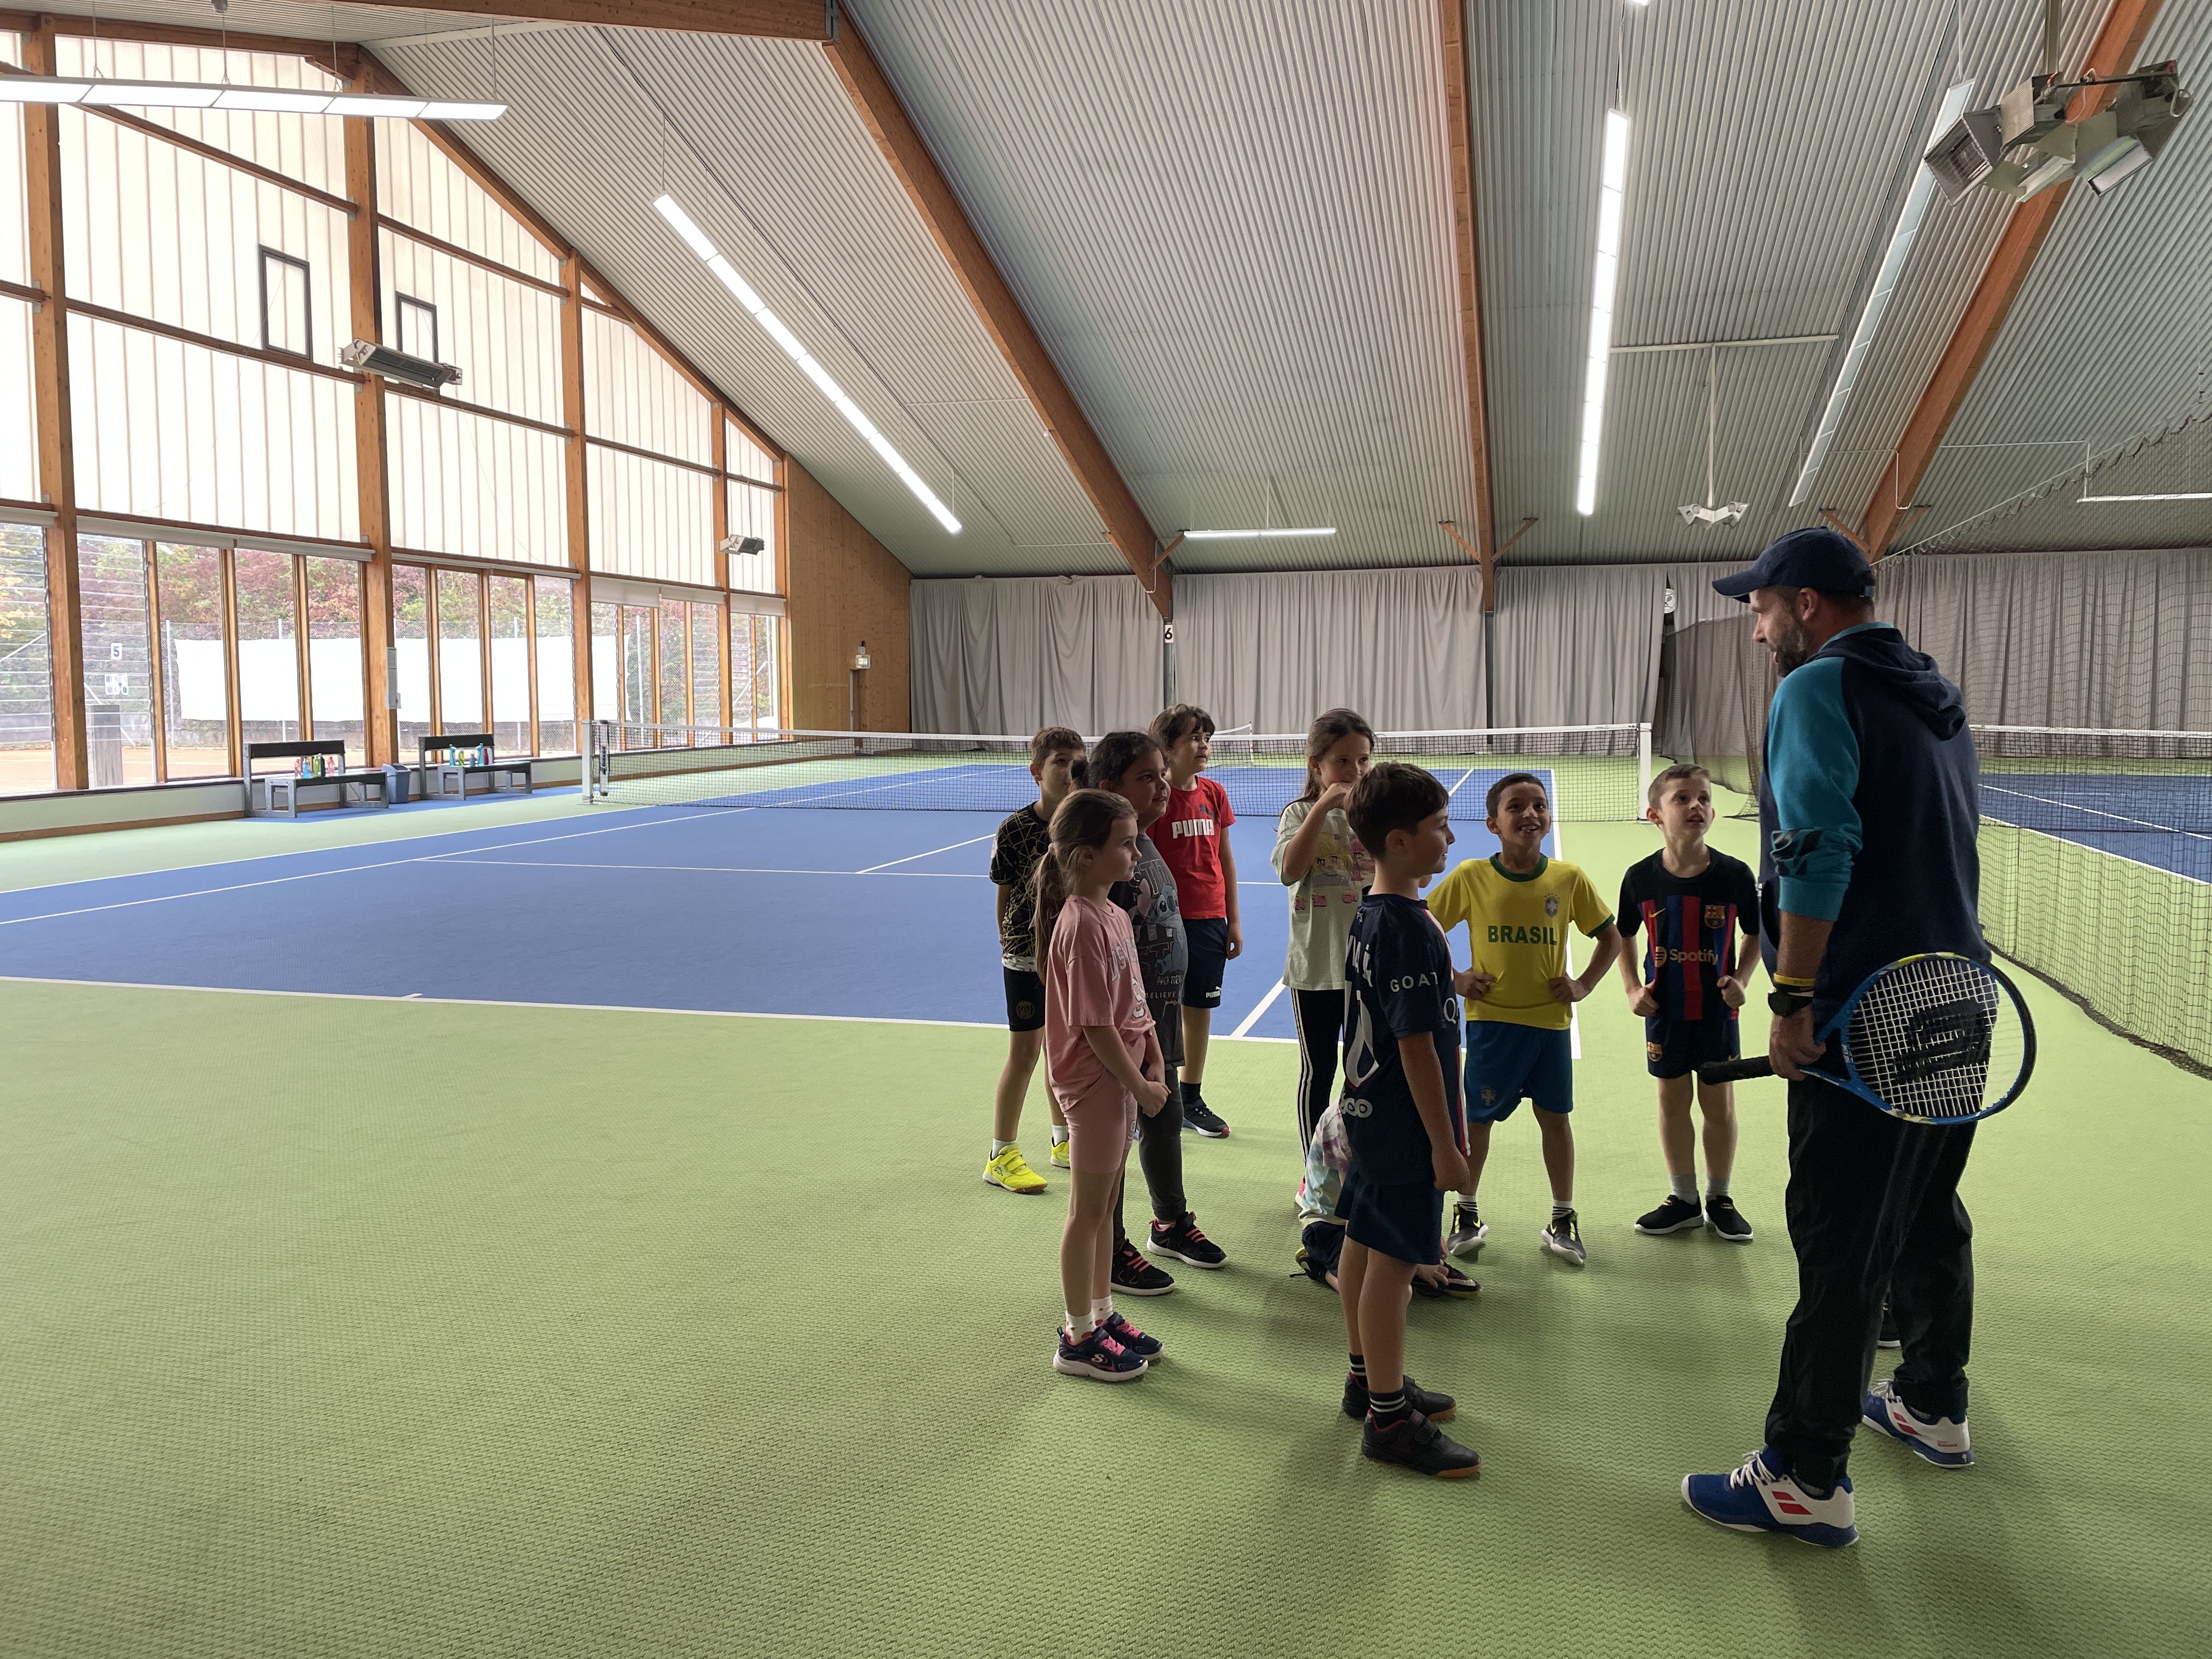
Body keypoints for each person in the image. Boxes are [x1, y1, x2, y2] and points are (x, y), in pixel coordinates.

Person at [1683, 527, 1986, 1548]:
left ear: (1805, 603)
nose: (1755, 622)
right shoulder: (1933, 693)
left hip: (1860, 1008)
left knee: (1839, 1237)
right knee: (1929, 1208)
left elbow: (1815, 852)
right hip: (1955, 995)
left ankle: (1803, 1474)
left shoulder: (1814, 689)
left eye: (1760, 605)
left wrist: (1791, 996)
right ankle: (1932, 1399)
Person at [1334, 763, 1479, 1477]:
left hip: (1365, 1111)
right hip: (1402, 1125)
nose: (1449, 837)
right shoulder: (1413, 930)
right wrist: (1447, 1148)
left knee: (1361, 1243)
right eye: (1438, 829)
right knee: (1393, 1267)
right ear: (1398, 841)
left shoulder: (1371, 912)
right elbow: (1419, 1048)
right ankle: (1390, 1420)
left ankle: (1368, 1380)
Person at [1430, 773, 1621, 1267]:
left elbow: (1610, 937)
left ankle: (1563, 1216)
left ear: (1548, 818)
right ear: (1494, 823)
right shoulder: (1472, 875)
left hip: (1550, 1025)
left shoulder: (1568, 878)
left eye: (1539, 805)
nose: (1530, 814)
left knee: (1555, 1120)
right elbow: (1424, 927)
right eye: (1517, 807)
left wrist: (1584, 985)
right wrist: (1455, 977)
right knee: (1478, 1122)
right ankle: (1466, 1212)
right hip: (1492, 1024)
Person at [1036, 788, 1172, 1382]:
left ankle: (1103, 1313)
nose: (1136, 850)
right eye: (1124, 843)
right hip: (1095, 1088)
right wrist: (1139, 1089)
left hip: (1122, 1081)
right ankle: (1077, 1336)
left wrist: (1157, 1060)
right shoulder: (1080, 926)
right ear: (1086, 856)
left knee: (1105, 1206)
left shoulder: (1115, 915)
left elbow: (1133, 1003)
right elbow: (1094, 1027)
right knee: (1087, 1213)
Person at [1085, 730, 1227, 1294]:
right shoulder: (1107, 865)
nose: (1163, 785)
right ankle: (1112, 1247)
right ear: (1108, 788)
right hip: (1121, 1039)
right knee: (1117, 1141)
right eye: (1147, 777)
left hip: (1157, 1026)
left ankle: (1170, 1224)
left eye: (1163, 774)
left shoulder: (1144, 844)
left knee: (1164, 1121)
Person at [1613, 763, 1761, 1242]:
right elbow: (1624, 935)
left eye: (1703, 798)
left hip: (1718, 1014)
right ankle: (1683, 1200)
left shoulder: (1736, 875)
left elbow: (1755, 935)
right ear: (1656, 815)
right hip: (1665, 1013)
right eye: (1683, 799)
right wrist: (1633, 989)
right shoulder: (1639, 878)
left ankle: (1720, 1197)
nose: (1696, 806)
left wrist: (1741, 979)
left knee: (1718, 1105)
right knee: (1672, 1101)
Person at [984, 727, 1084, 1193]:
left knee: (1064, 1052)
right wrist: (1011, 946)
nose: (1069, 771)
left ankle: (1062, 1139)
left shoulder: (1087, 826)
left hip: (1075, 957)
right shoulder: (1014, 830)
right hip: (1026, 959)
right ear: (1037, 771)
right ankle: (1001, 1154)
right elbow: (1004, 897)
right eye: (1060, 761)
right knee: (1025, 1054)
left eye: (1077, 762)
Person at [1273, 708, 1375, 1154]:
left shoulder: (1375, 815)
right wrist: (1323, 807)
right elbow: (1290, 871)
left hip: (1368, 968)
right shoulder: (1297, 815)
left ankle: (1359, 1161)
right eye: (1342, 762)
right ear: (1316, 764)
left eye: (1363, 760)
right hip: (1315, 969)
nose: (1354, 771)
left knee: (1365, 1071)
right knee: (1319, 1071)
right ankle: (1314, 1169)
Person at [1152, 704, 1239, 1137]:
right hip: (1162, 922)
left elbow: (1225, 860)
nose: (1203, 746)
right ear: (1167, 748)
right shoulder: (1155, 799)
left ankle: (1191, 1097)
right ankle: (1149, 1094)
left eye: (1206, 738)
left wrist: (1233, 921)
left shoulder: (1215, 794)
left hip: (1210, 919)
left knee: (1199, 1009)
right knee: (1156, 1011)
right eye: (1193, 738)